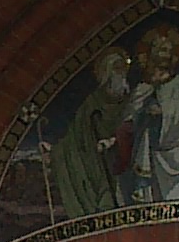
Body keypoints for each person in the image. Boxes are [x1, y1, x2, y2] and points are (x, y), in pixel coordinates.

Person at [48, 46, 135, 219]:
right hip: (99, 162)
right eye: (116, 69)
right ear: (106, 73)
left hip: (125, 157)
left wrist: (114, 139)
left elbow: (136, 126)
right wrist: (56, 150)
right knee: (104, 193)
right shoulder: (93, 102)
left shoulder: (132, 100)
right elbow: (77, 136)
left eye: (122, 69)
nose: (121, 74)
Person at [127, 24, 179, 202]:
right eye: (161, 49)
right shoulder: (142, 88)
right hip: (147, 150)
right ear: (150, 53)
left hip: (174, 151)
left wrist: (164, 113)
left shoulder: (178, 84)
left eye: (169, 50)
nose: (165, 54)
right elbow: (128, 119)